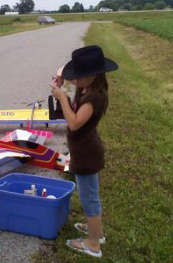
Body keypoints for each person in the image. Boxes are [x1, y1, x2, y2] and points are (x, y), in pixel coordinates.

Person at [50, 45, 118, 259]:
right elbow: (63, 70)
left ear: (93, 75)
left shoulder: (95, 98)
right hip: (85, 151)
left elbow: (74, 123)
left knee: (90, 200)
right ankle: (96, 230)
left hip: (87, 155)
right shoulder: (86, 88)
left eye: (77, 77)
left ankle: (93, 244)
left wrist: (62, 97)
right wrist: (61, 78)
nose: (74, 80)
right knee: (89, 194)